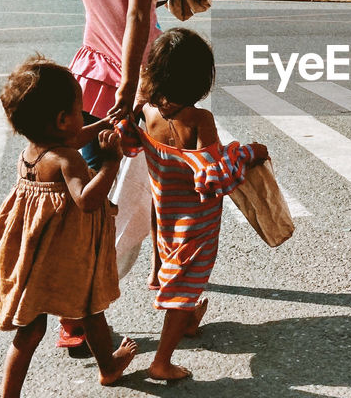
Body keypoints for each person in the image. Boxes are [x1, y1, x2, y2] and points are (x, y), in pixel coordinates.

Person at [0, 57, 138, 398]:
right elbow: (87, 201)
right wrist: (110, 162)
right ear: (61, 120)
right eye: (79, 111)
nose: (83, 118)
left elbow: (74, 135)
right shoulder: (68, 159)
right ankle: (108, 366)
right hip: (65, 255)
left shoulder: (34, 151)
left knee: (32, 329)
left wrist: (104, 124)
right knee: (90, 308)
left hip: (35, 257)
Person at [58, 0, 164, 354]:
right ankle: (169, 293)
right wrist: (131, 89)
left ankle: (74, 316)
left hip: (87, 82)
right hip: (140, 87)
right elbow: (138, 19)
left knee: (91, 202)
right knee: (166, 187)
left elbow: (110, 12)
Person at [112, 30, 269, 379]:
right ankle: (161, 361)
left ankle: (188, 318)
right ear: (200, 80)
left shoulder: (147, 112)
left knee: (179, 272)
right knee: (185, 282)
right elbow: (216, 174)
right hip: (196, 223)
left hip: (165, 214)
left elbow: (133, 146)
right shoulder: (200, 121)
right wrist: (248, 153)